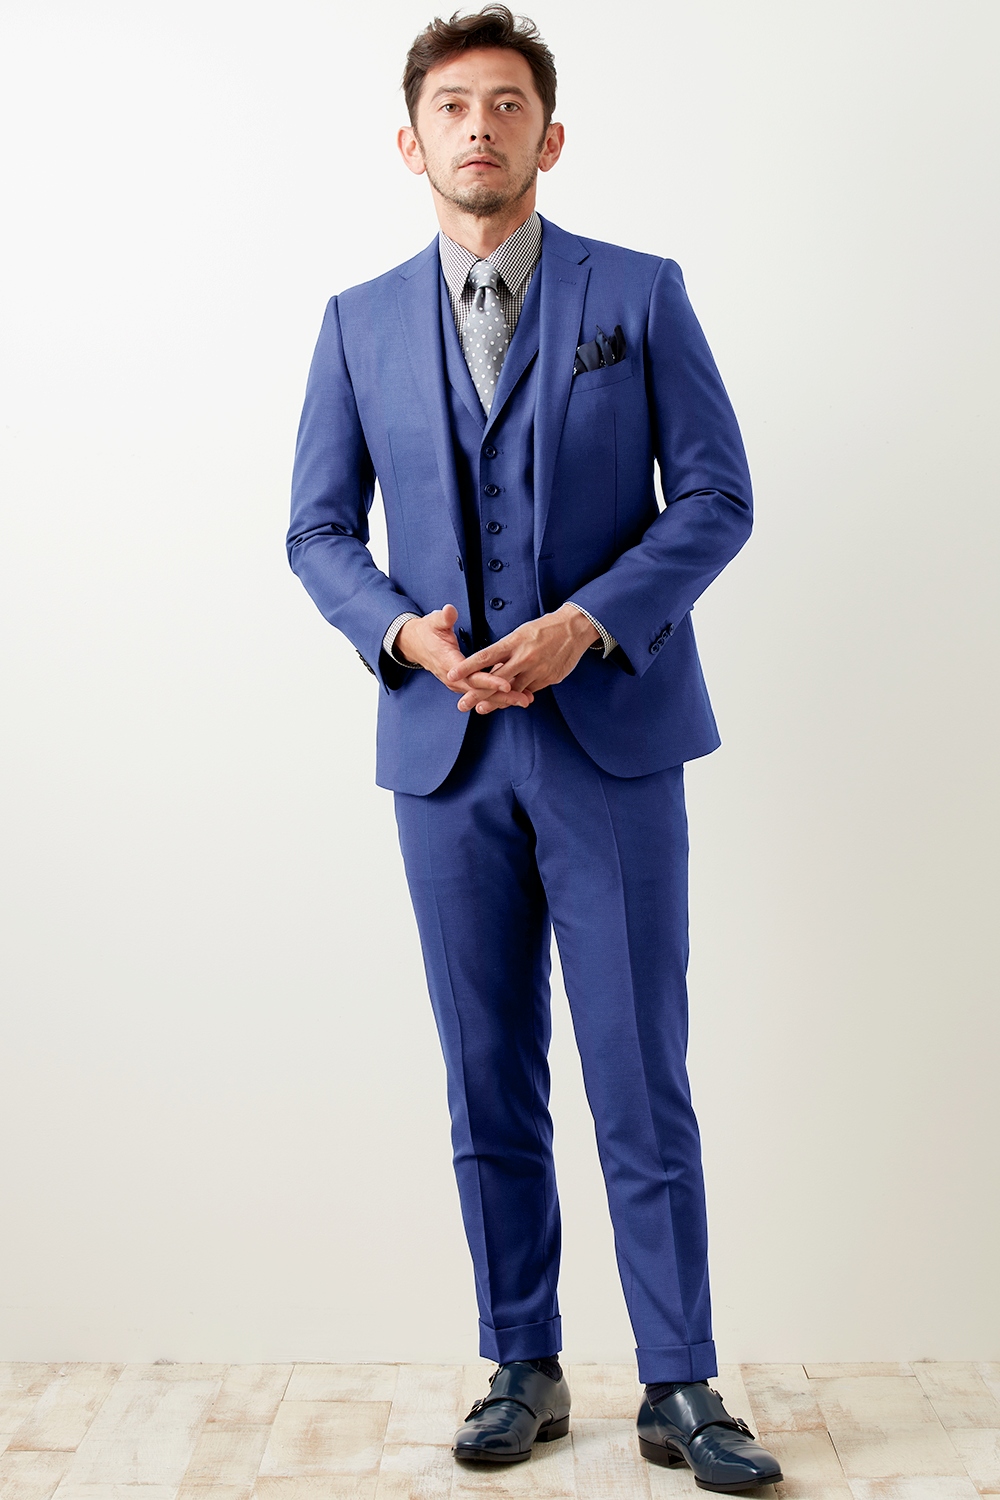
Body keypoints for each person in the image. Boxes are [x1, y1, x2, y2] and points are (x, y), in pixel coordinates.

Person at [287, 6, 781, 1488]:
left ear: (549, 138)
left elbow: (717, 497)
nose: (480, 127)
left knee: (639, 1070)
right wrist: (403, 632)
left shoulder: (639, 292)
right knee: (485, 1072)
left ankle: (680, 1381)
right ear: (411, 143)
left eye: (508, 104)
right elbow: (316, 530)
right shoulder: (356, 323)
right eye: (453, 106)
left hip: (607, 744)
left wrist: (587, 623)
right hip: (444, 756)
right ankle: (524, 1363)